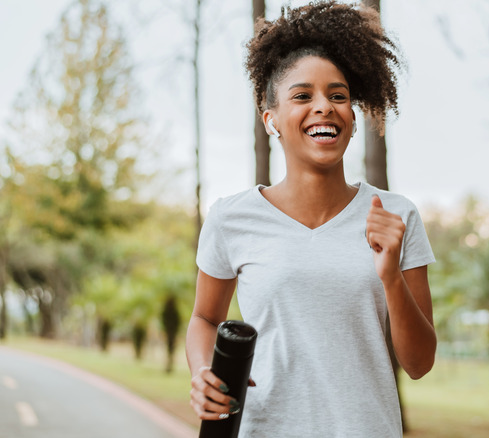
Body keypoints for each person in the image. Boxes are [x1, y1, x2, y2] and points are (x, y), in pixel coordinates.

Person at [185, 2, 436, 436]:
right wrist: (204, 371)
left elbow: (419, 363)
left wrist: (391, 276)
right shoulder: (232, 218)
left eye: (337, 96)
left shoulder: (396, 216)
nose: (324, 106)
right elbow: (205, 319)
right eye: (303, 96)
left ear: (352, 121)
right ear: (272, 121)